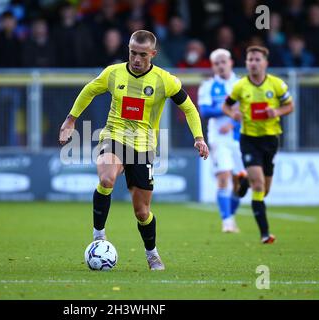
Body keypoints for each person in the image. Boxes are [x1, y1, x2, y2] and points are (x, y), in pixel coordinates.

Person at [59, 30, 209, 270]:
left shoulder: (165, 80)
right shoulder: (113, 73)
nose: (136, 59)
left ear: (153, 54)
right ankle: (99, 236)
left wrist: (199, 138)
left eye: (142, 55)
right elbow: (89, 90)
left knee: (142, 212)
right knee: (107, 179)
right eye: (132, 53)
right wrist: (71, 119)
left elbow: (189, 109)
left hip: (143, 147)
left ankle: (152, 253)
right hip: (114, 137)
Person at [222, 46, 294, 244]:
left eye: (257, 59)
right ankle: (265, 234)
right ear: (246, 63)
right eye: (250, 59)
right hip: (249, 140)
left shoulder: (277, 85)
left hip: (270, 140)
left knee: (264, 191)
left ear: (265, 63)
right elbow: (226, 105)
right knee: (259, 184)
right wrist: (232, 114)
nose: (253, 63)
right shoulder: (240, 87)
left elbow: (290, 106)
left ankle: (243, 181)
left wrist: (277, 112)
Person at [198, 48, 248, 233]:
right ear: (213, 66)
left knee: (241, 182)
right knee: (224, 176)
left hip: (240, 137)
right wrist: (227, 110)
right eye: (216, 63)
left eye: (223, 62)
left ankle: (231, 216)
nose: (220, 66)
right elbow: (204, 111)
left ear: (231, 63)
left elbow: (248, 111)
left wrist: (233, 124)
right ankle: (226, 221)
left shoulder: (242, 84)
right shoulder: (208, 86)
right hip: (218, 138)